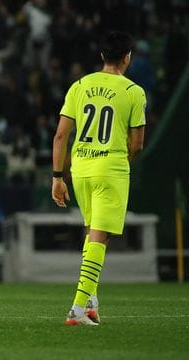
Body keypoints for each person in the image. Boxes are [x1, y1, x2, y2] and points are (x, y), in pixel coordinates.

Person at [52, 31, 146, 326]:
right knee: (100, 236)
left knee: (93, 230)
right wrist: (119, 162)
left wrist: (57, 176)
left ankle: (91, 302)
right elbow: (138, 143)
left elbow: (60, 135)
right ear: (127, 58)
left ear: (102, 56)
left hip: (80, 169)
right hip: (111, 167)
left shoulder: (80, 85)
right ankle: (78, 308)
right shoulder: (133, 91)